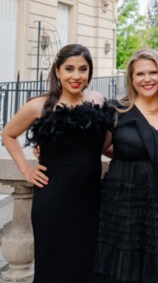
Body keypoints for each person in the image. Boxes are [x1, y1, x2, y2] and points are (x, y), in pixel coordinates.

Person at [2, 44, 114, 283]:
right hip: (53, 201)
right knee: (53, 267)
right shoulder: (39, 106)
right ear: (57, 71)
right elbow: (8, 134)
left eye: (83, 69)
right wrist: (26, 170)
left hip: (90, 200)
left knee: (87, 266)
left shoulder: (97, 100)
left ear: (89, 72)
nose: (76, 76)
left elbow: (104, 145)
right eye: (69, 69)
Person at [91, 48, 158, 283]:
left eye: (153, 72)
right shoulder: (116, 110)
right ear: (131, 78)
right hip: (125, 204)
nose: (147, 79)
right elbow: (100, 146)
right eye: (140, 74)